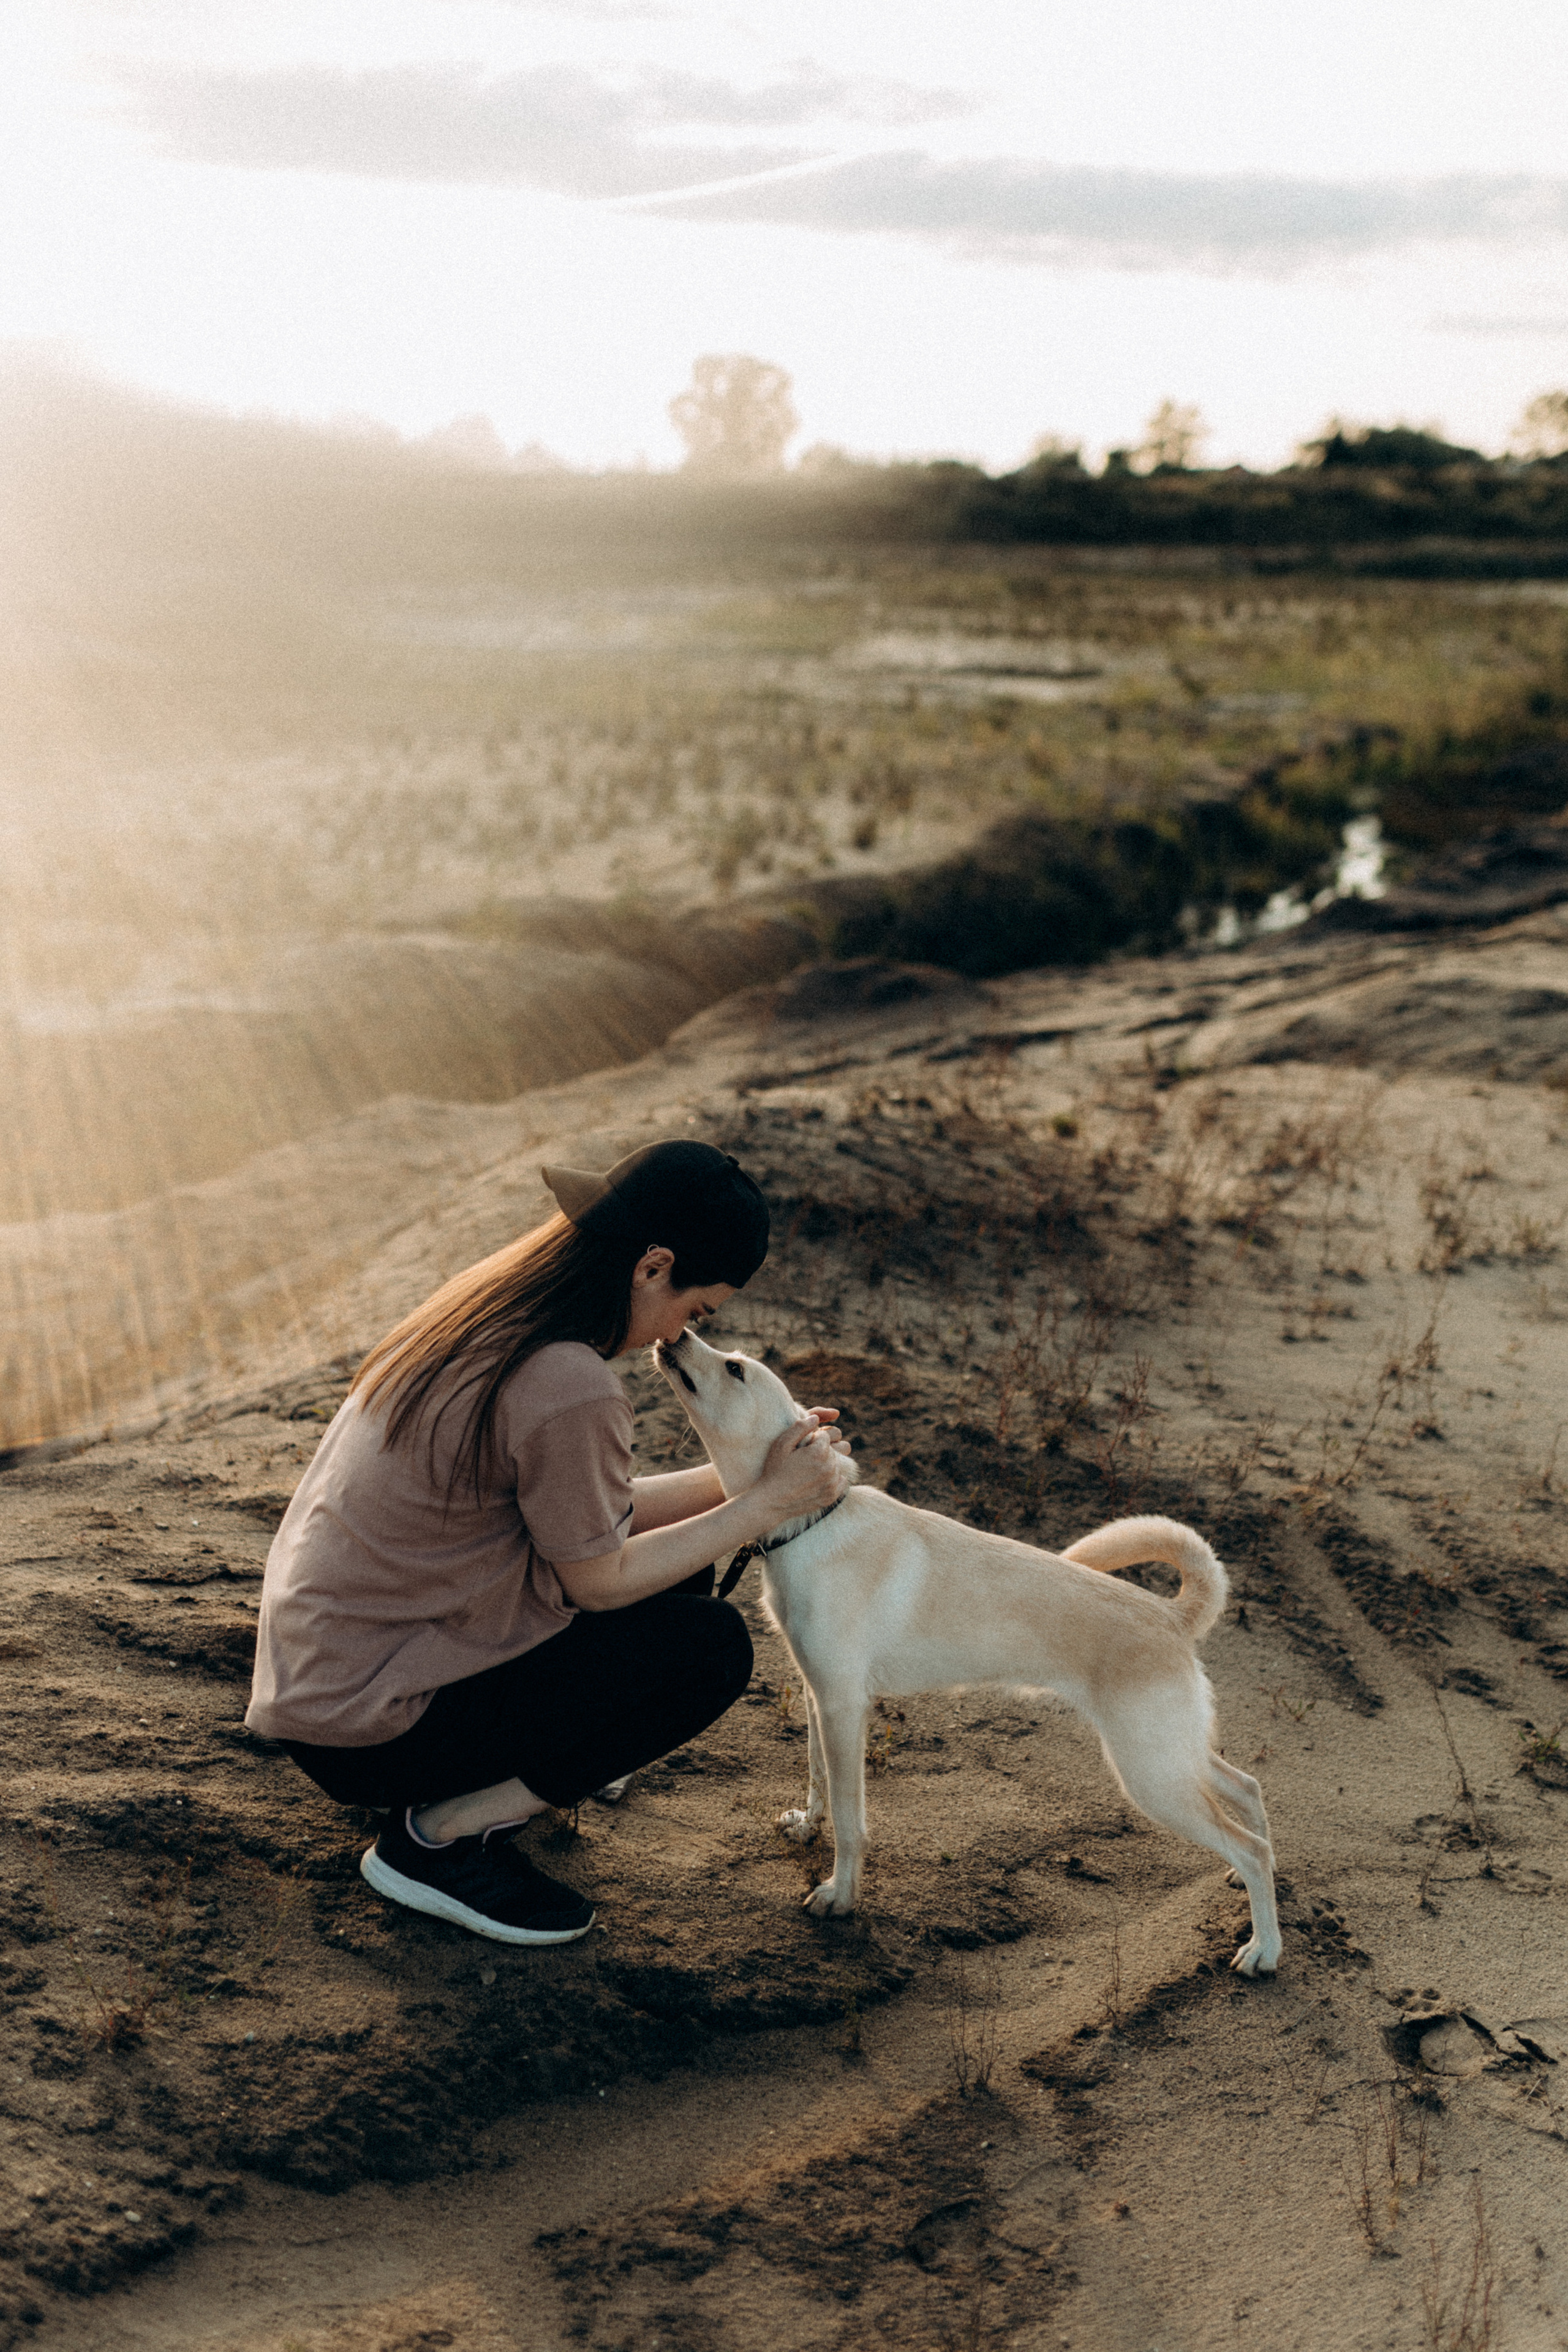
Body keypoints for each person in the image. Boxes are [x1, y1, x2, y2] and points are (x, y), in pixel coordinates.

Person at [244, 1139, 851, 1947]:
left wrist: (754, 1480)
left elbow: (580, 1519)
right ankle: (438, 1838)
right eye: (696, 1310)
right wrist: (767, 1504)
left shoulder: (485, 1312)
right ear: (652, 1266)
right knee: (707, 1649)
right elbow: (596, 1582)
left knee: (675, 1574)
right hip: (375, 1728)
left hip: (328, 1690)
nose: (681, 1331)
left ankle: (467, 1796)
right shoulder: (570, 1382)